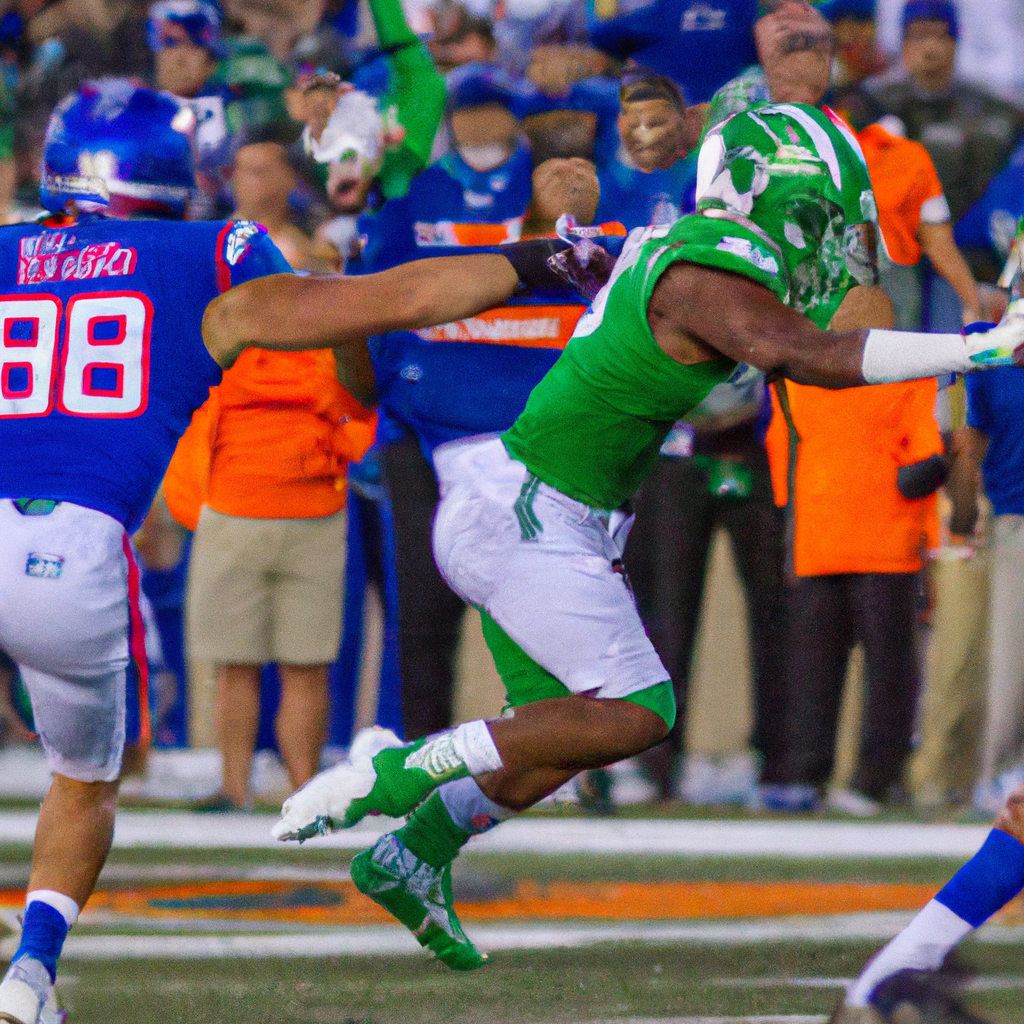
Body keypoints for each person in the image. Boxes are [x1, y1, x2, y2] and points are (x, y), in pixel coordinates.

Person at [203, 100, 1024, 986]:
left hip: (548, 507)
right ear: (762, 195)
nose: (826, 234)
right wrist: (979, 346)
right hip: (530, 509)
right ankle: (394, 769)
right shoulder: (705, 269)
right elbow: (798, 354)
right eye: (817, 211)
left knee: (557, 743)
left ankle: (411, 856)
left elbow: (773, 330)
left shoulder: (686, 251)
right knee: (638, 709)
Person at [0, 79, 297, 1024]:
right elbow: (343, 304)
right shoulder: (202, 249)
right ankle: (30, 973)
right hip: (75, 541)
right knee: (89, 773)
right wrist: (522, 265)